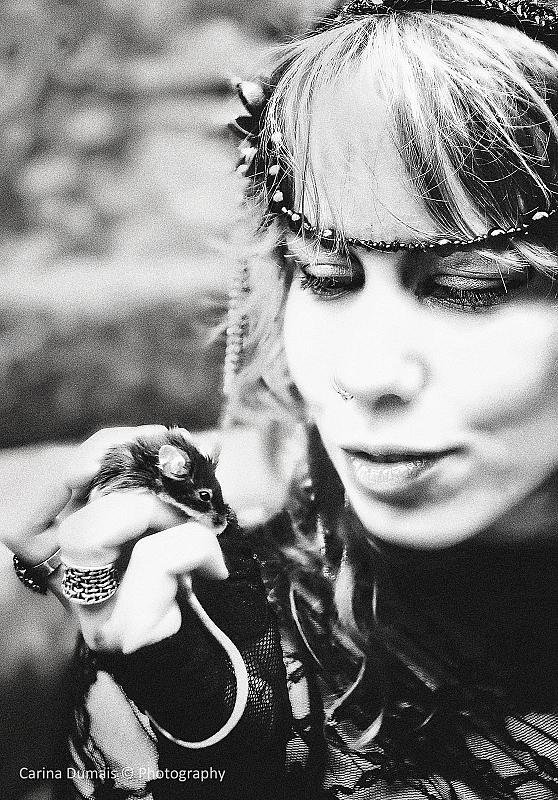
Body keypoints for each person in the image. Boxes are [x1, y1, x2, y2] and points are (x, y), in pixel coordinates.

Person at [5, 0, 558, 797]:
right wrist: (213, 760)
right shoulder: (211, 622)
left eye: (468, 285)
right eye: (326, 276)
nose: (364, 372)